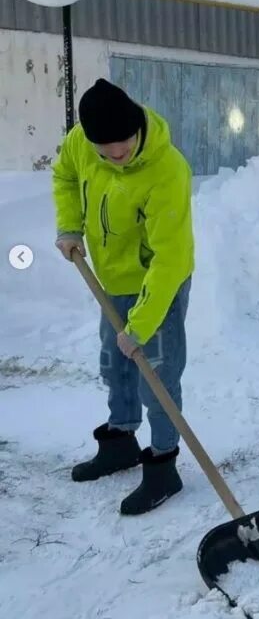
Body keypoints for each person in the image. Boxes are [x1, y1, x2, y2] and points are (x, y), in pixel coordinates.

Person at [52, 78, 195, 512]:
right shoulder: (82, 141)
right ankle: (121, 443)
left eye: (124, 144)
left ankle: (164, 464)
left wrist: (141, 325)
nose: (116, 154)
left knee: (158, 375)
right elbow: (65, 175)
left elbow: (169, 260)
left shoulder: (167, 169)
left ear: (137, 128)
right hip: (111, 279)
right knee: (115, 365)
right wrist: (69, 226)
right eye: (104, 149)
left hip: (159, 281)